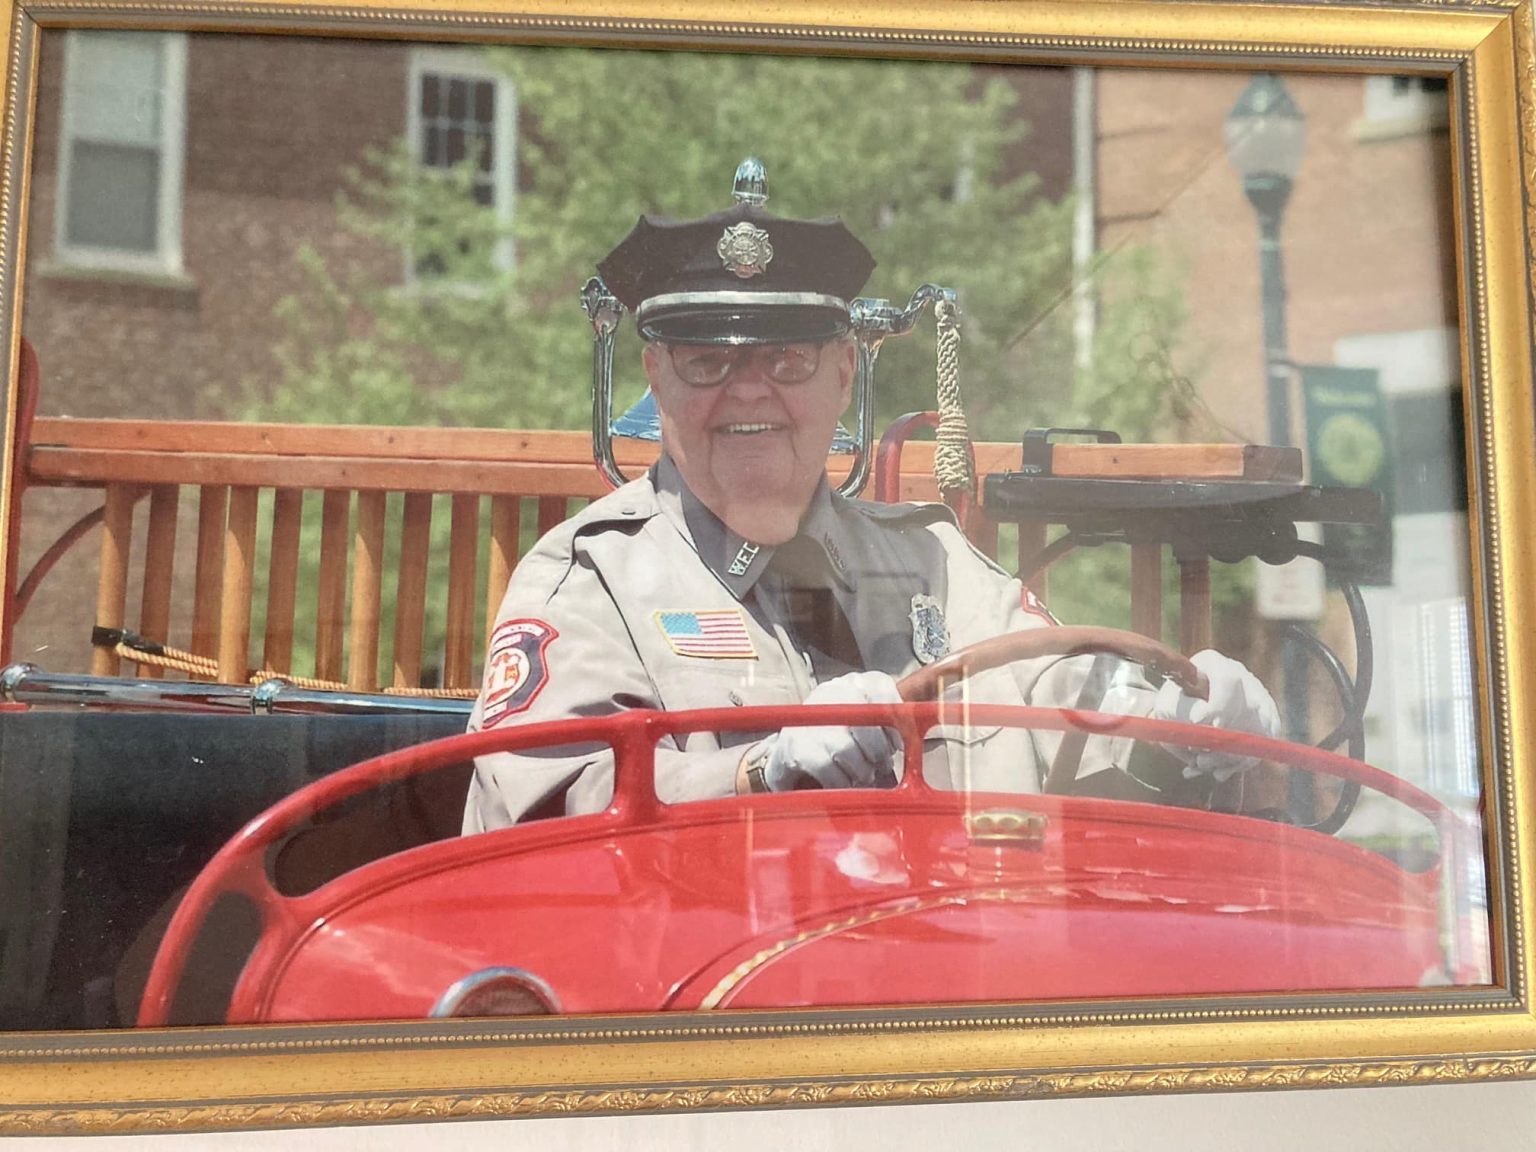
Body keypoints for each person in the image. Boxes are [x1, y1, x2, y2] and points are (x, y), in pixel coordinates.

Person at [463, 178, 1281, 833]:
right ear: (657, 380)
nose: (749, 390)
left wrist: (1172, 729)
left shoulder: (940, 563)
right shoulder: (589, 580)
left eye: (786, 360)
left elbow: (1067, 710)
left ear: (843, 377)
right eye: (708, 361)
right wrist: (758, 773)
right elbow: (542, 815)